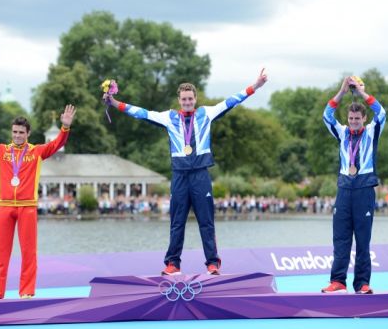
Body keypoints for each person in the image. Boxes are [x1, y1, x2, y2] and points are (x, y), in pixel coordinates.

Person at [103, 69, 268, 275]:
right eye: (184, 99)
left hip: (200, 175)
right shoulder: (168, 117)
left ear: (195, 99)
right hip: (180, 176)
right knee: (177, 222)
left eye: (190, 98)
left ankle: (213, 263)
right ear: (179, 100)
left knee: (206, 222)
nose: (187, 102)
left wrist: (256, 86)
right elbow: (141, 113)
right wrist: (114, 103)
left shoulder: (206, 113)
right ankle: (173, 264)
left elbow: (232, 101)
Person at [0, 104, 77, 299]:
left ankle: (27, 292)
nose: (17, 135)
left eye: (21, 132)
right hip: (4, 206)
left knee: (29, 253)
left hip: (27, 207)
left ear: (28, 133)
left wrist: (65, 128)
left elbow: (56, 145)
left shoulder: (37, 152)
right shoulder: (1, 151)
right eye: (15, 132)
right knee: (0, 253)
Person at [321, 76, 386, 294]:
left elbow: (382, 113)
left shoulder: (371, 131)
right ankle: (338, 281)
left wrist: (360, 92)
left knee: (363, 240)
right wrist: (341, 91)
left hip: (364, 189)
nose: (354, 121)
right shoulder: (341, 132)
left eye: (357, 118)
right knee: (340, 238)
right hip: (344, 189)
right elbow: (326, 115)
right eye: (351, 118)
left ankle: (362, 284)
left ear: (364, 118)